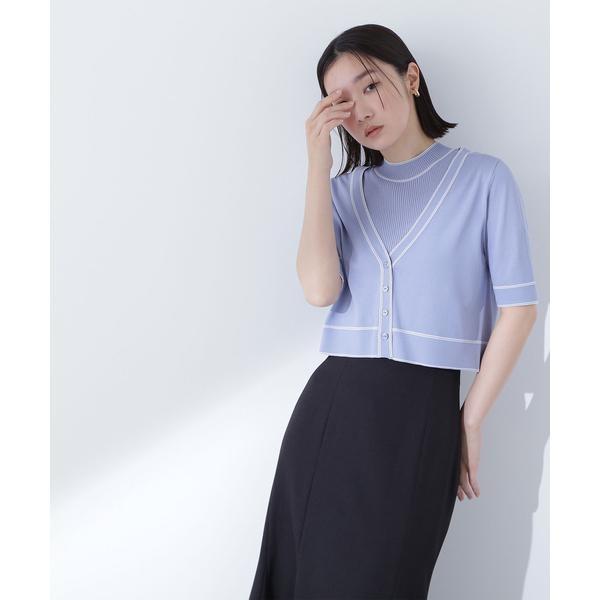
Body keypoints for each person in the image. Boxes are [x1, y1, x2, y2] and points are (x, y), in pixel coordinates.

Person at [249, 23, 538, 600]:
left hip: (421, 421)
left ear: (411, 77)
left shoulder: (485, 179)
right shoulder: (343, 192)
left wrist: (470, 421)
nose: (360, 110)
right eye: (341, 101)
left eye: (370, 85)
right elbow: (319, 290)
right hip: (332, 414)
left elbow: (519, 309)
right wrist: (317, 163)